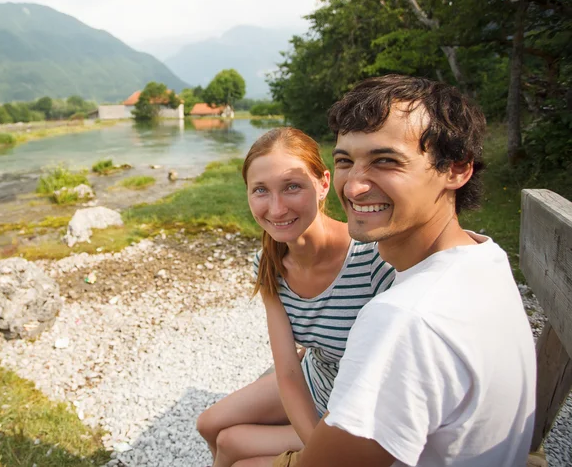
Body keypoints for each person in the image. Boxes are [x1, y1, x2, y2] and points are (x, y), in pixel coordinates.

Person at [277, 75, 536, 467]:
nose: (353, 187)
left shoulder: (405, 318)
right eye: (345, 160)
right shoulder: (483, 255)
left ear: (456, 169)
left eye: (385, 161)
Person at [196, 127, 395, 467]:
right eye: (261, 190)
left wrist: (320, 452)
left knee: (230, 443)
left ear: (322, 184)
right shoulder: (269, 262)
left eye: (291, 187)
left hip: (350, 413)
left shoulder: (373, 260)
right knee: (208, 424)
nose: (276, 209)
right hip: (313, 380)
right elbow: (288, 369)